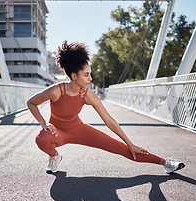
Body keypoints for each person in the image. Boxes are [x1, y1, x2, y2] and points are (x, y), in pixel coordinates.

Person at [27, 41, 185, 174]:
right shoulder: (56, 91)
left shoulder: (87, 95)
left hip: (79, 129)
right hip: (58, 133)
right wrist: (44, 123)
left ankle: (165, 163)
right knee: (43, 138)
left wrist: (130, 144)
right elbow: (31, 102)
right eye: (86, 75)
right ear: (74, 76)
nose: (91, 78)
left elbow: (109, 121)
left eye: (90, 74)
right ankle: (54, 156)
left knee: (124, 149)